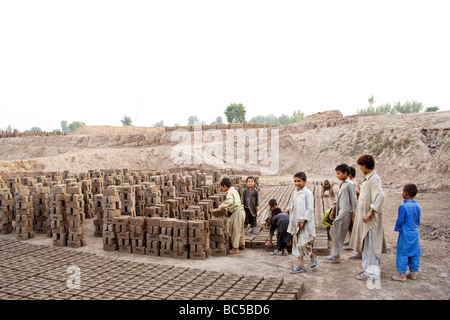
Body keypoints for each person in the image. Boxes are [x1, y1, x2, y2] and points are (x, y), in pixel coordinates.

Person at [349, 154, 386, 280]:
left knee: (371, 246)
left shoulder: (374, 179)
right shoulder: (368, 179)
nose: (360, 169)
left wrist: (370, 212)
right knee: (366, 246)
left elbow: (380, 196)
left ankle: (371, 273)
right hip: (365, 220)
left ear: (364, 166)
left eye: (360, 166)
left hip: (370, 220)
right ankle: (367, 270)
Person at [326, 164, 357, 263]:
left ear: (346, 173)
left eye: (339, 174)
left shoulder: (349, 184)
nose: (337, 176)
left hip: (345, 212)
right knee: (336, 232)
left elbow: (354, 200)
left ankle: (337, 255)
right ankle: (335, 254)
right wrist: (333, 210)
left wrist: (354, 214)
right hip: (341, 211)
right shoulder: (343, 183)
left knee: (338, 232)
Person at [287, 171, 317, 273]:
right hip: (296, 222)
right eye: (295, 181)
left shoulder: (308, 193)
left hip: (305, 222)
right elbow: (293, 206)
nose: (296, 183)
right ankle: (301, 267)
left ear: (304, 181)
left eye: (299, 181)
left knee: (304, 243)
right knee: (297, 245)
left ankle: (313, 256)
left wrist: (303, 220)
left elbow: (310, 209)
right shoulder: (295, 193)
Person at [392, 183, 421, 282]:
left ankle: (402, 274)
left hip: (405, 232)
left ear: (405, 193)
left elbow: (400, 220)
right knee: (414, 252)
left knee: (402, 253)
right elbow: (418, 220)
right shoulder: (417, 205)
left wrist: (398, 228)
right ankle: (413, 273)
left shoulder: (403, 207)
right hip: (414, 232)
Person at [212, 177, 245, 254]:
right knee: (240, 229)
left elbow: (230, 201)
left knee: (235, 230)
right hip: (241, 211)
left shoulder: (230, 192)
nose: (222, 189)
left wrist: (221, 207)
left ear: (225, 186)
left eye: (222, 187)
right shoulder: (234, 190)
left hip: (237, 212)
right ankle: (242, 244)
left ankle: (235, 248)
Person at [344, 166, 360, 252]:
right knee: (350, 227)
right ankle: (350, 241)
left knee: (353, 227)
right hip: (352, 208)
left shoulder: (353, 183)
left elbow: (357, 192)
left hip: (353, 208)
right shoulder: (352, 182)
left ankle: (353, 243)